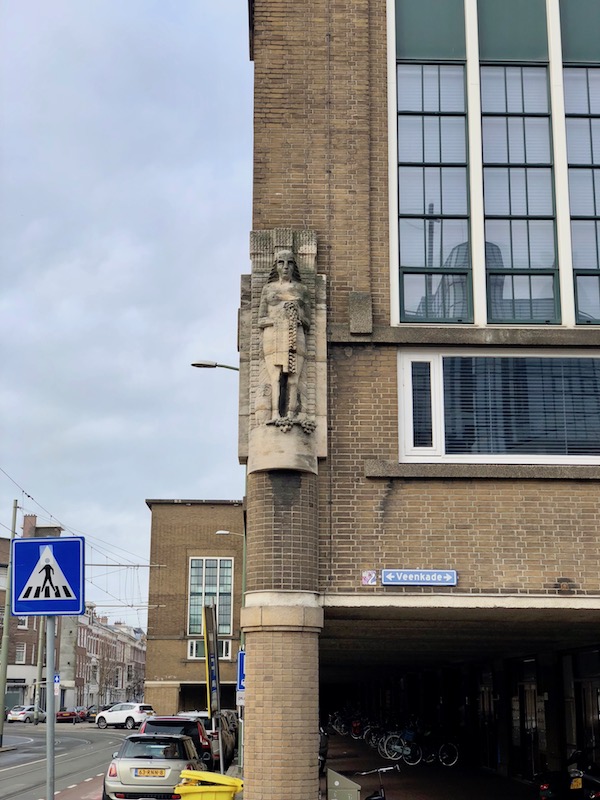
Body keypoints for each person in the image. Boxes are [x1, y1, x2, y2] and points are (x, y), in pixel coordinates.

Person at [258, 250, 311, 422]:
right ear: (276, 266)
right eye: (281, 262)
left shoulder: (301, 290)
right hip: (273, 335)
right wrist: (277, 318)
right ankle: (274, 414)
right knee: (275, 376)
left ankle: (291, 415)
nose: (286, 267)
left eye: (290, 263)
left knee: (293, 378)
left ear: (294, 266)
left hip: (294, 334)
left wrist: (296, 315)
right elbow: (260, 319)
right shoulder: (268, 289)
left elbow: (308, 321)